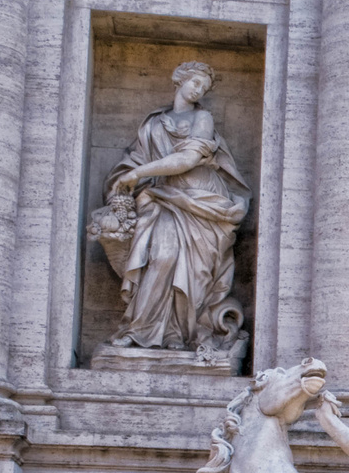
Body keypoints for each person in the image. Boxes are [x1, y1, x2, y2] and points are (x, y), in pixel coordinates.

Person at [103, 61, 249, 351]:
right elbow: (132, 161)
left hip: (202, 202)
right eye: (195, 83)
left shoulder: (203, 118)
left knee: (194, 272)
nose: (199, 90)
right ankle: (142, 330)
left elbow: (187, 161)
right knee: (163, 255)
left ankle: (178, 334)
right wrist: (128, 179)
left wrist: (138, 174)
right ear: (178, 80)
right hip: (162, 199)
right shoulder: (153, 125)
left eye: (204, 88)